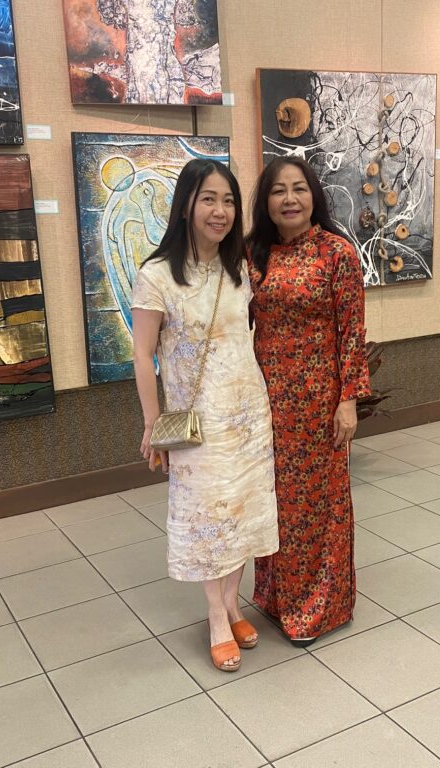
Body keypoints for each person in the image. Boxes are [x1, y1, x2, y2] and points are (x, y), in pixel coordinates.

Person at [131, 159, 279, 672]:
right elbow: (142, 356)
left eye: (229, 201)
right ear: (186, 205)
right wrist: (152, 424)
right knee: (208, 518)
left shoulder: (240, 268)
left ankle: (234, 605)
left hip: (249, 415)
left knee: (240, 513)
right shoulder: (156, 276)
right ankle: (217, 617)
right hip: (198, 426)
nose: (221, 211)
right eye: (210, 199)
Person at [246, 157, 371, 647]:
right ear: (266, 202)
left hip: (319, 404)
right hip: (265, 402)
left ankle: (318, 607)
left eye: (299, 189)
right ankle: (277, 597)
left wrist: (349, 400)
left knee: (318, 507)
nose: (289, 199)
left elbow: (353, 332)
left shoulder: (336, 253)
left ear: (314, 195)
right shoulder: (254, 254)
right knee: (275, 501)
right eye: (279, 190)